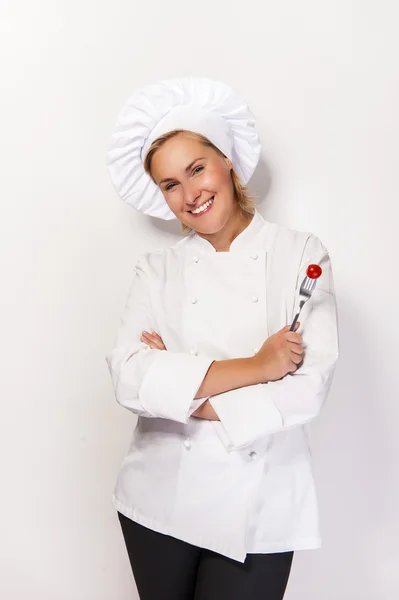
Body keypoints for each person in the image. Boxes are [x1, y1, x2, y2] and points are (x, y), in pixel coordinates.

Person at [105, 77, 339, 600]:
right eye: (170, 185)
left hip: (261, 504)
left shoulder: (299, 254)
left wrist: (178, 387)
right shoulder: (155, 270)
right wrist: (259, 366)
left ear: (227, 161)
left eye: (197, 169)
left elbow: (307, 385)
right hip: (158, 496)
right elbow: (129, 377)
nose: (190, 194)